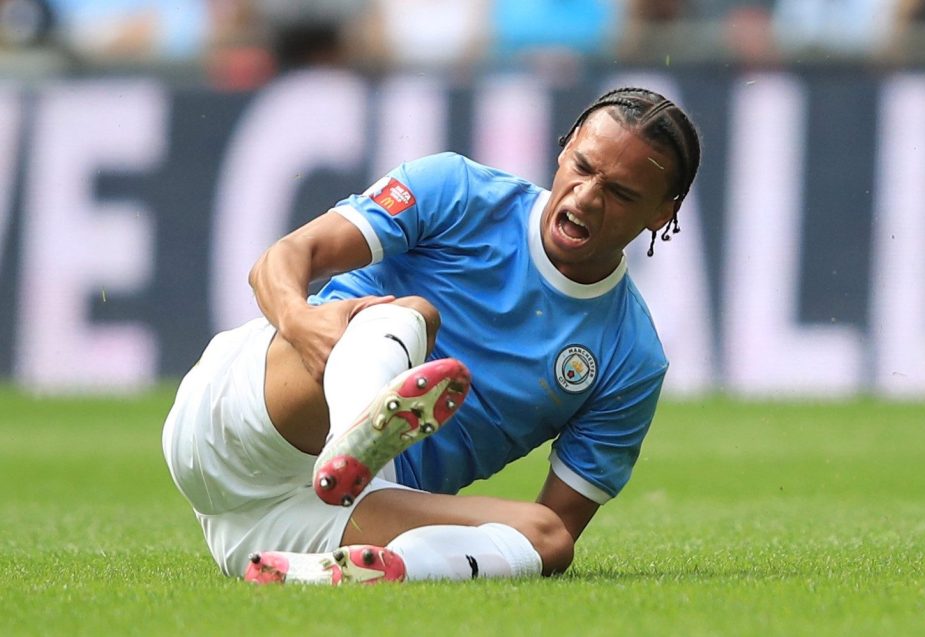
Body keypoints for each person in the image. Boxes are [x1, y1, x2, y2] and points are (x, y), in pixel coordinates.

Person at [161, 87, 702, 585]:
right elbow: (281, 260)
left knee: (549, 539)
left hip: (315, 518)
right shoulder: (458, 192)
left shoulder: (631, 357)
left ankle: (351, 571)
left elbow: (553, 524)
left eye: (621, 193)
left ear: (663, 212)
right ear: (564, 149)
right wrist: (302, 325)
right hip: (239, 421)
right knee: (410, 316)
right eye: (582, 167)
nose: (585, 198)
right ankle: (354, 432)